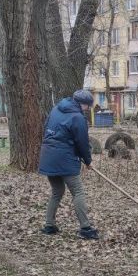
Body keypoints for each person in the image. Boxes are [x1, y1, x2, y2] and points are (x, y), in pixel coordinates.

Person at [38, 90, 98, 240]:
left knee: (57, 191)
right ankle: (85, 228)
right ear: (83, 104)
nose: (88, 110)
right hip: (64, 158)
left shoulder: (56, 109)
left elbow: (47, 128)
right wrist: (88, 160)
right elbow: (82, 142)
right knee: (77, 191)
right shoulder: (78, 117)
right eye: (88, 106)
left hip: (48, 155)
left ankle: (49, 225)